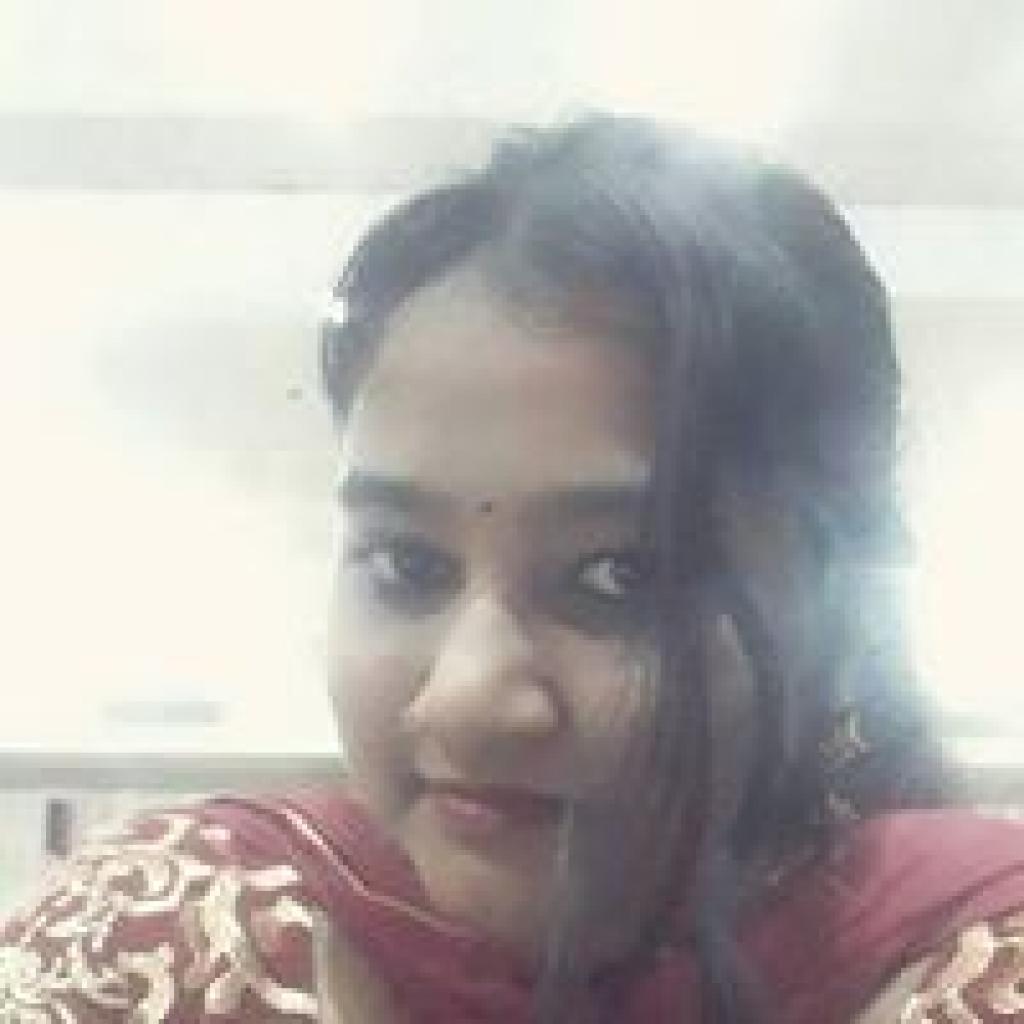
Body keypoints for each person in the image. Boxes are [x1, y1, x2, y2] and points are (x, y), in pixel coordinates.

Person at [2, 115, 1023, 1024]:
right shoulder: (176, 948)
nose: (465, 701)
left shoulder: (979, 971)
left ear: (842, 608)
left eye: (619, 576)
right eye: (407, 564)